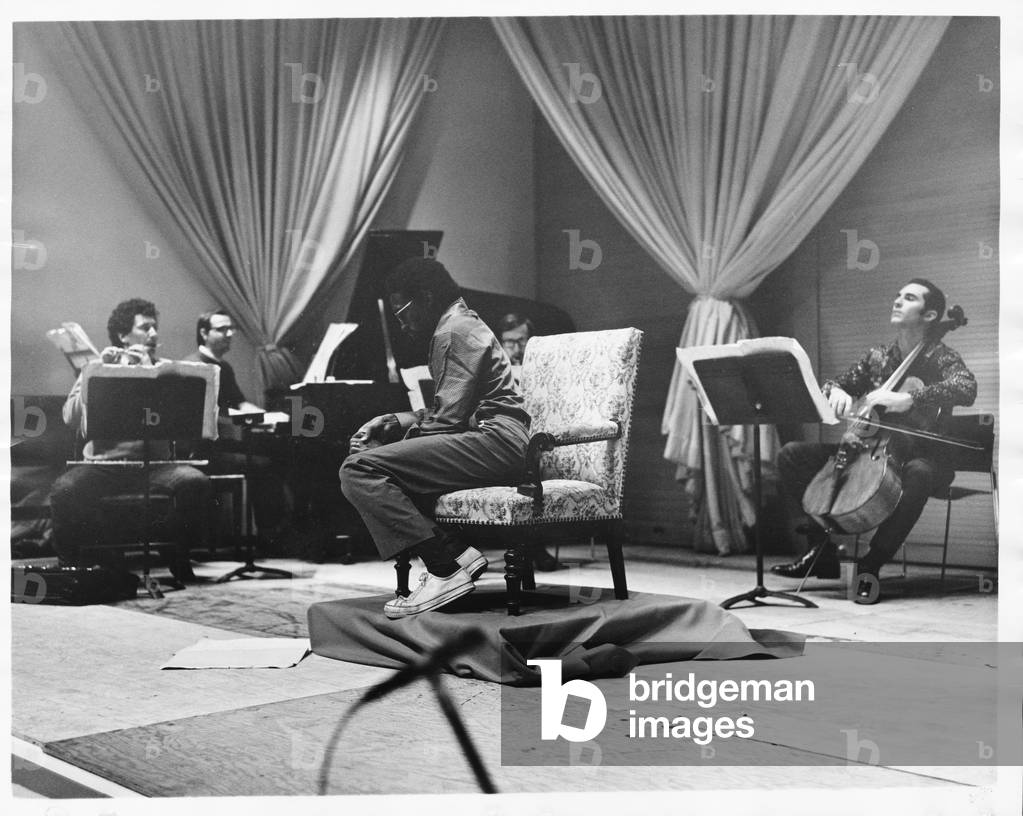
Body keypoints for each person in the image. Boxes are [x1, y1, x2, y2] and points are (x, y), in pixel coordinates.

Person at [339, 259, 531, 618]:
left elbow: (447, 421)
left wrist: (384, 448)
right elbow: (457, 411)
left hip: (496, 442)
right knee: (385, 465)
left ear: (425, 299)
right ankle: (456, 552)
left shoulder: (451, 332)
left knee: (359, 469)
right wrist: (396, 421)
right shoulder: (462, 323)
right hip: (498, 439)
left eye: (402, 312)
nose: (401, 323)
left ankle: (443, 569)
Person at [771, 279, 977, 604]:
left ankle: (871, 563)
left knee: (919, 473)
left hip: (923, 457)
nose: (897, 300)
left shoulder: (940, 356)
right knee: (791, 455)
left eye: (908, 298)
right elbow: (835, 383)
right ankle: (820, 548)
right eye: (897, 295)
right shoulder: (878, 357)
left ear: (930, 314)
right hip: (869, 451)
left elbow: (966, 387)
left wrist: (911, 398)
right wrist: (835, 390)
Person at [50, 298, 212, 581]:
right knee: (65, 489)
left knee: (194, 481)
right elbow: (70, 418)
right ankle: (69, 566)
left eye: (155, 328)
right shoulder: (98, 368)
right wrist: (95, 375)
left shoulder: (165, 369)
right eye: (145, 328)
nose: (153, 334)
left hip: (156, 465)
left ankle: (177, 554)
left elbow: (182, 421)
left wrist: (149, 372)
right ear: (123, 336)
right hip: (106, 465)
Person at [184, 309, 289, 541]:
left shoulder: (225, 367)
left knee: (278, 454)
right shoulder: (194, 367)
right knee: (264, 466)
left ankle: (273, 531)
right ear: (203, 332)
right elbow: (199, 418)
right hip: (205, 450)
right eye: (222, 329)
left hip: (225, 444)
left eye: (231, 329)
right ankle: (267, 536)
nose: (229, 334)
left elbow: (239, 403)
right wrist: (244, 422)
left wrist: (270, 417)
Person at [496, 312, 562, 572]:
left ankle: (532, 546)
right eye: (508, 342)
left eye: (521, 341)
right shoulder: (495, 371)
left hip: (541, 439)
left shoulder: (545, 368)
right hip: (507, 438)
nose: (515, 348)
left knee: (533, 470)